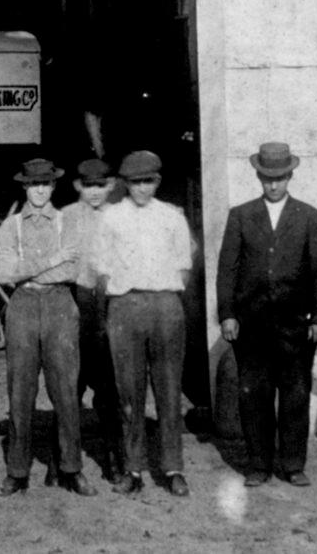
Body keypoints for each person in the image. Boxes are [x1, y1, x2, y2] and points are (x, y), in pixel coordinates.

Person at [217, 143, 317, 488]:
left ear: (290, 176)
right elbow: (228, 270)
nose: (273, 185)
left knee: (295, 394)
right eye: (267, 178)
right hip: (252, 325)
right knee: (255, 396)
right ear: (258, 176)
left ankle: (293, 464)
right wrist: (227, 314)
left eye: (279, 178)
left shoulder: (309, 216)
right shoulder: (241, 215)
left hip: (295, 324)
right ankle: (258, 464)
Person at [0, 158, 94, 497]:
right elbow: (4, 273)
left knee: (65, 390)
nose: (39, 190)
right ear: (25, 187)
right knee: (20, 391)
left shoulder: (67, 222)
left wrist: (28, 269)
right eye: (33, 184)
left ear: (53, 187)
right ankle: (17, 472)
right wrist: (50, 261)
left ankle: (70, 468)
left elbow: (73, 270)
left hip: (60, 306)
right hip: (22, 306)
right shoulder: (12, 226)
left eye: (45, 184)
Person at [96, 150, 193, 497]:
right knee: (129, 394)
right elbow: (102, 270)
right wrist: (126, 299)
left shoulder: (172, 217)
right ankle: (133, 468)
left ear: (157, 182)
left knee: (168, 390)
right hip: (126, 306)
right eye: (135, 182)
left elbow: (183, 266)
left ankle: (173, 468)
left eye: (147, 182)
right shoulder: (110, 218)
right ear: (125, 183)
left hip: (166, 305)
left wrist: (160, 292)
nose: (141, 189)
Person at [60, 157, 125, 483]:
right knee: (69, 387)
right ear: (77, 186)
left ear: (111, 185)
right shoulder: (66, 218)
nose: (95, 192)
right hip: (75, 304)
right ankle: (64, 462)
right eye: (89, 186)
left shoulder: (121, 215)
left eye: (101, 185)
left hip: (109, 306)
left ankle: (115, 460)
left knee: (109, 390)